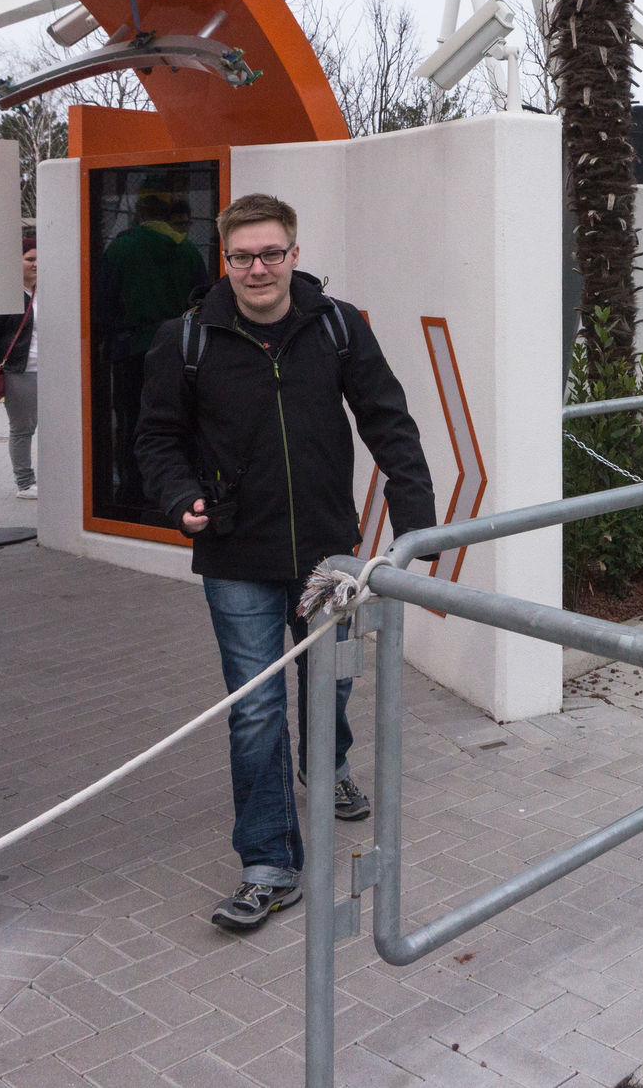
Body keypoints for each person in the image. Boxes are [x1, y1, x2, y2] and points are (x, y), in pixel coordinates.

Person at [134, 192, 435, 931]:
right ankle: (269, 864)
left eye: (271, 253)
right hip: (235, 553)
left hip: (328, 552)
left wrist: (416, 529)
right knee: (256, 709)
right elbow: (156, 438)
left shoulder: (336, 325)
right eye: (242, 256)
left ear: (295, 255)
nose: (258, 268)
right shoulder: (185, 339)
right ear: (225, 261)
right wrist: (177, 497)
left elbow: (389, 422)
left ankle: (325, 764)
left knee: (331, 680)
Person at [99, 194, 211, 506]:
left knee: (133, 423)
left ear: (140, 211)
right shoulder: (187, 248)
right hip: (182, 350)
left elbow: (103, 302)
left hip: (131, 350)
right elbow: (203, 298)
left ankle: (132, 493)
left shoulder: (122, 247)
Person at [0, 239, 39, 499]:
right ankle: (24, 483)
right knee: (23, 427)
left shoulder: (45, 292)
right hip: (18, 371)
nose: (36, 264)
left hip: (50, 371)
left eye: (39, 259)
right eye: (30, 259)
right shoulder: (5, 294)